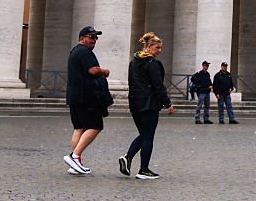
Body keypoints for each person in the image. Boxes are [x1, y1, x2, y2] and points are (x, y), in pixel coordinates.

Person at [119, 32, 175, 180]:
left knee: (144, 134)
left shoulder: (133, 62)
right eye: (157, 47)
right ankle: (143, 170)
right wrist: (167, 103)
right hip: (149, 103)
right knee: (148, 136)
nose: (160, 50)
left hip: (135, 102)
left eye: (161, 47)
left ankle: (127, 158)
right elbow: (158, 85)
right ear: (149, 47)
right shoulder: (153, 63)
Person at [64, 26, 110, 175]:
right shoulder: (84, 52)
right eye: (91, 37)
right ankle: (75, 156)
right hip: (87, 96)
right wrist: (105, 71)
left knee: (79, 128)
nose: (94, 40)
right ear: (82, 38)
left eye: (96, 37)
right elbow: (93, 70)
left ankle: (75, 163)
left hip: (75, 96)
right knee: (95, 126)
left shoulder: (74, 51)